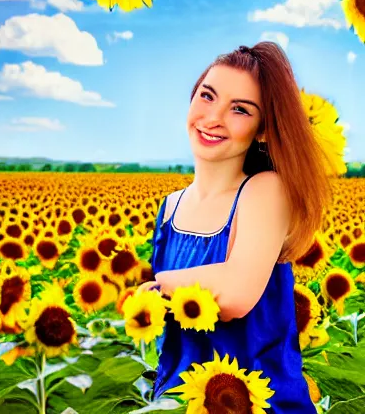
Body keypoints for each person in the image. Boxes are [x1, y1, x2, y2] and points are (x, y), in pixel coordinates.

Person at [137, 42, 336, 412]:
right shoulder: (170, 207)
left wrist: (158, 285)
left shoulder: (265, 190)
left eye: (240, 109)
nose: (213, 117)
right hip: (181, 398)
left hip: (259, 401)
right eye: (207, 96)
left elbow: (235, 294)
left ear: (262, 130)